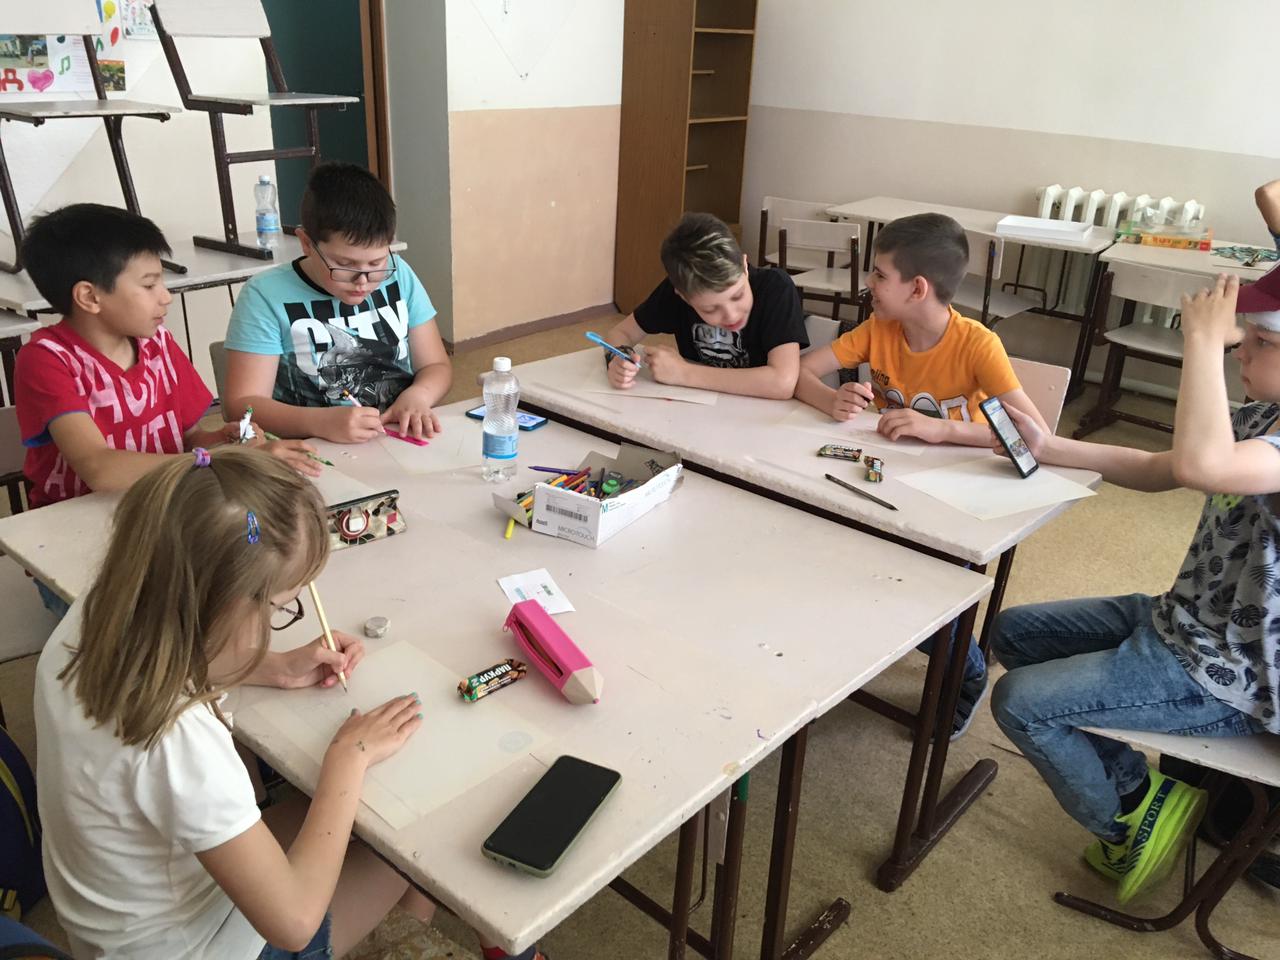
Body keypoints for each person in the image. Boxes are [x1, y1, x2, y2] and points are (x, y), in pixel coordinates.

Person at [34, 446, 547, 960]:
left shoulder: (100, 613)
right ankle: (407, 935)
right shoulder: (177, 741)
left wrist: (271, 667)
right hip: (201, 947)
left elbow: (179, 649)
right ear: (222, 603)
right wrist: (349, 758)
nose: (279, 619)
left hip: (134, 919)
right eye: (281, 607)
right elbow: (294, 922)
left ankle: (408, 925)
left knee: (343, 818)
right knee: (406, 841)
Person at [989, 269, 1280, 903]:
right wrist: (1051, 446)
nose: (1242, 351)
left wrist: (1200, 342)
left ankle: (1123, 822)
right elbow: (1161, 467)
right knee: (1012, 634)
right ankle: (1136, 786)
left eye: (1261, 342)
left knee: (1021, 702)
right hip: (1182, 621)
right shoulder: (1263, 416)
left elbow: (1204, 465)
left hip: (1231, 674)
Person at [13, 203, 314, 615]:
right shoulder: (47, 359)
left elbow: (186, 436)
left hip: (162, 522)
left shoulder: (155, 342)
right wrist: (218, 459)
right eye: (149, 284)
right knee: (159, 632)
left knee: (254, 582)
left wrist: (218, 440)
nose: (166, 297)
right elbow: (100, 469)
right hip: (76, 549)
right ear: (89, 296)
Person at [224, 162, 452, 443]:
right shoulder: (265, 295)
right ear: (306, 243)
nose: (363, 281)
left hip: (397, 438)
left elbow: (436, 365)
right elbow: (241, 405)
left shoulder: (399, 274)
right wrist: (319, 422)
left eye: (376, 263)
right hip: (312, 447)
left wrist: (419, 395)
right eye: (345, 264)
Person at [794, 212, 1048, 446]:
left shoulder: (978, 345)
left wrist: (944, 429)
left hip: (960, 470)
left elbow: (1036, 435)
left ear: (917, 289)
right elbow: (800, 371)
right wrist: (831, 400)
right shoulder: (877, 329)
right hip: (892, 461)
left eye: (880, 275)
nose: (868, 281)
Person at [601, 212, 808, 399]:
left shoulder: (775, 288)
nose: (731, 315)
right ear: (682, 296)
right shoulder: (681, 289)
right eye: (711, 309)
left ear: (744, 266)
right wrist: (619, 358)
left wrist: (684, 373)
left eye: (738, 295)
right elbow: (620, 333)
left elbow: (782, 383)